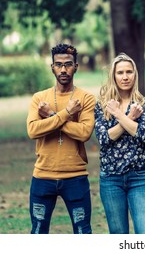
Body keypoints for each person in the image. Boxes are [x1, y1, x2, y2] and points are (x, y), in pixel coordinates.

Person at [26, 43, 96, 234]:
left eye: (68, 64)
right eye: (58, 64)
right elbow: (33, 130)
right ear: (52, 67)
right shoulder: (39, 98)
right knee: (38, 232)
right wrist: (66, 113)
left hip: (75, 176)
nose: (63, 69)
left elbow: (84, 133)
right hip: (42, 176)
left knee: (83, 232)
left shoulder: (86, 98)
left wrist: (49, 115)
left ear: (76, 66)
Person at [94, 53, 145, 234]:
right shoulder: (103, 105)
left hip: (139, 177)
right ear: (113, 76)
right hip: (110, 178)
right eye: (120, 72)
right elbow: (104, 139)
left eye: (129, 72)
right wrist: (130, 119)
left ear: (135, 75)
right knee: (118, 235)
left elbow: (144, 134)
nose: (125, 76)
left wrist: (120, 115)